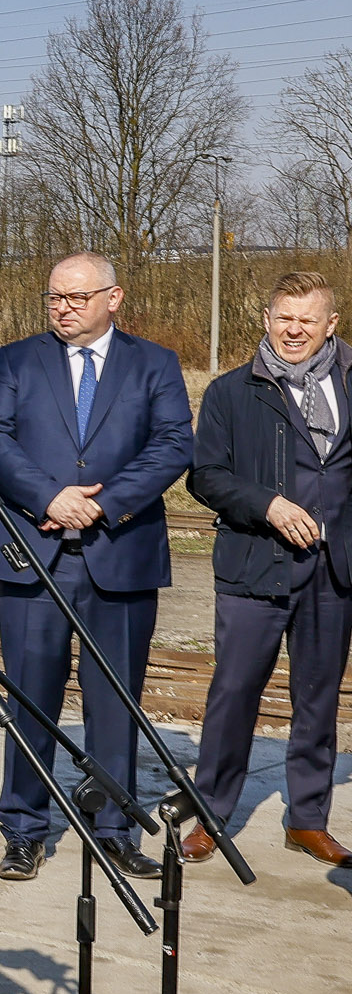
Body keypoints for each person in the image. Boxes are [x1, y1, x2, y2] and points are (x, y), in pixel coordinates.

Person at [0, 252, 192, 883]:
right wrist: (50, 497)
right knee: (30, 700)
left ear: (113, 297)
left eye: (75, 297)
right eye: (54, 298)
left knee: (115, 702)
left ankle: (115, 828)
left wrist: (104, 506)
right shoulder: (19, 359)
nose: (62, 308)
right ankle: (23, 827)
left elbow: (173, 443)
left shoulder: (155, 363)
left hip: (118, 557)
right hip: (33, 560)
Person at [184, 272, 352, 869]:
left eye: (308, 319)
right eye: (284, 316)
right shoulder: (231, 391)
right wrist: (269, 505)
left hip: (335, 573)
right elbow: (204, 477)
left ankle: (307, 820)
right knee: (233, 693)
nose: (294, 329)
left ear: (331, 324)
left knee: (319, 699)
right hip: (256, 564)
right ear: (266, 318)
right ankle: (210, 814)